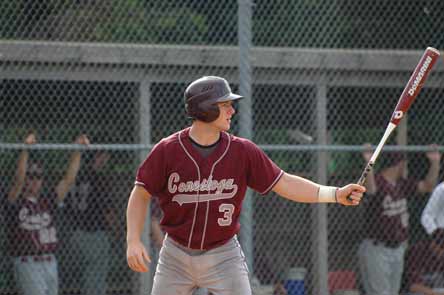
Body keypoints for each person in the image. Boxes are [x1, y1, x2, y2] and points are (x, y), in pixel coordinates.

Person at [126, 76, 365, 295]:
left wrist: (334, 194)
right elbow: (141, 192)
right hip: (176, 255)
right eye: (224, 105)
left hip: (223, 254)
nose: (232, 110)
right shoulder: (169, 150)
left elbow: (285, 183)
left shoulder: (242, 151)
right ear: (205, 108)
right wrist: (133, 240)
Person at [4, 132, 89, 295]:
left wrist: (78, 150)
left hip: (50, 261)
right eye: (31, 176)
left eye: (38, 176)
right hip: (28, 262)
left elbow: (68, 180)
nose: (35, 180)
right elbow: (18, 181)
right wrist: (25, 150)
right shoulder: (15, 201)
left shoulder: (47, 200)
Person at [357, 146, 441, 295]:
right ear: (400, 163)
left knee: (392, 292)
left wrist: (435, 163)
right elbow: (370, 189)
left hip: (398, 248)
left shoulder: (402, 184)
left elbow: (427, 186)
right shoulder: (378, 181)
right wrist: (368, 162)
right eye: (404, 163)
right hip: (377, 248)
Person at [65, 150, 115, 295]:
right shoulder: (98, 179)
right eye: (104, 156)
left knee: (84, 274)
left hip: (74, 232)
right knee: (95, 276)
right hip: (95, 233)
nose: (106, 160)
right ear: (98, 156)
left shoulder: (76, 175)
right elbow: (107, 210)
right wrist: (118, 231)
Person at [405, 228, 444, 295]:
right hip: (416, 291)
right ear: (433, 244)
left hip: (436, 288)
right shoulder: (416, 251)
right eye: (441, 250)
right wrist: (433, 293)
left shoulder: (440, 255)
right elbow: (412, 285)